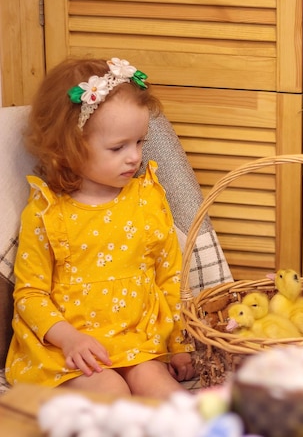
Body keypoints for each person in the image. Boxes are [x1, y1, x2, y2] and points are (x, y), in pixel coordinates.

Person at [5, 57, 196, 399]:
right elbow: (30, 294)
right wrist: (68, 338)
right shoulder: (48, 212)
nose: (134, 157)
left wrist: (178, 342)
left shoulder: (147, 199)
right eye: (117, 147)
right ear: (68, 149)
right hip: (71, 351)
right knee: (111, 393)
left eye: (140, 142)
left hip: (137, 341)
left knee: (168, 396)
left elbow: (170, 278)